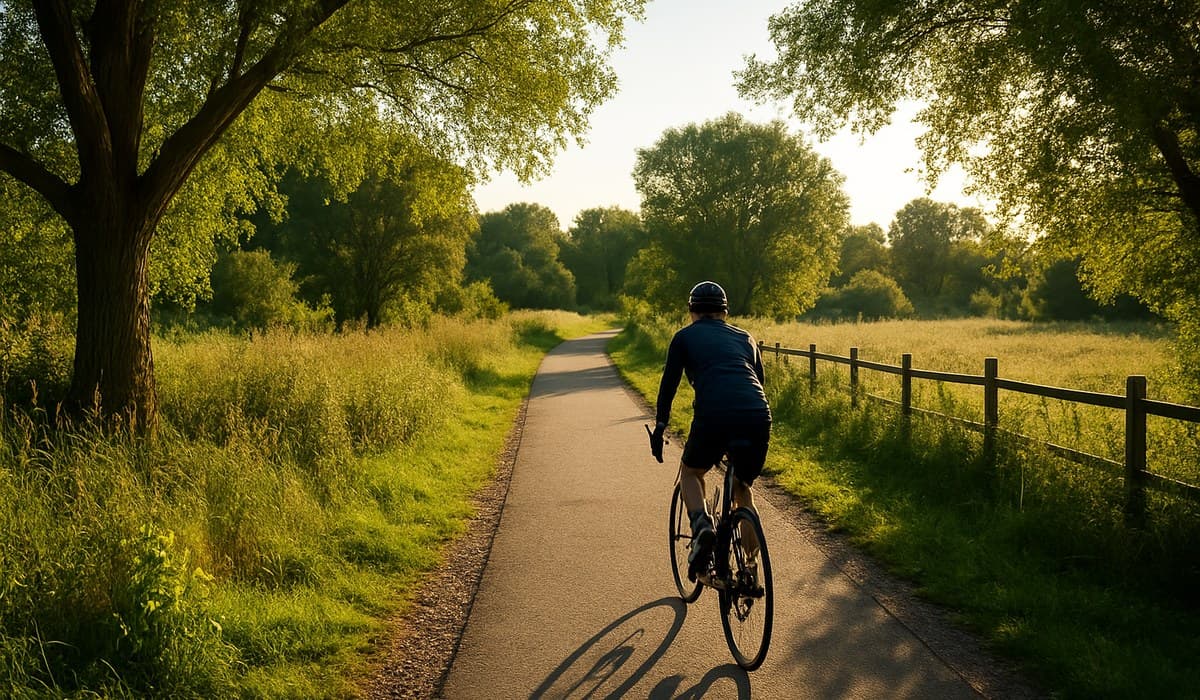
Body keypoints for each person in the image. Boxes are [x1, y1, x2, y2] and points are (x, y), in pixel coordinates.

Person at [648, 281, 771, 581]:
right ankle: (750, 570)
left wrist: (661, 424)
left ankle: (701, 526)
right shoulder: (745, 337)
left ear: (692, 311)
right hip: (757, 414)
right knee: (743, 488)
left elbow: (669, 384)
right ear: (724, 311)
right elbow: (759, 380)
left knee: (691, 471)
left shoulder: (684, 338)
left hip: (714, 414)